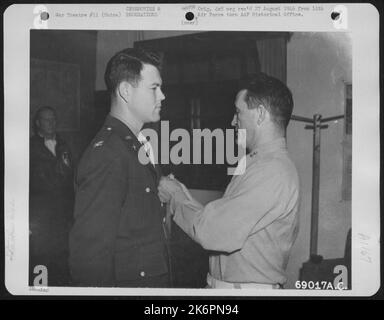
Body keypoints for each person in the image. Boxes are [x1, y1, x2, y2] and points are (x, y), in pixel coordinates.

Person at [159, 73, 300, 289]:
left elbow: (213, 232)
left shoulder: (272, 171)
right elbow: (223, 221)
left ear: (260, 114)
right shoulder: (257, 164)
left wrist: (176, 197)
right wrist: (183, 193)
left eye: (238, 112)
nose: (233, 121)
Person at [69, 48, 169, 287]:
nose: (162, 96)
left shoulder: (133, 143)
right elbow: (89, 258)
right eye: (154, 88)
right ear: (126, 91)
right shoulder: (108, 154)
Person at [29, 106, 74, 286]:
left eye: (53, 119)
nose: (51, 123)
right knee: (43, 259)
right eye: (47, 120)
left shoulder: (64, 144)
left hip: (64, 213)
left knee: (63, 257)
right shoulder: (31, 147)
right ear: (38, 123)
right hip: (42, 216)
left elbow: (71, 174)